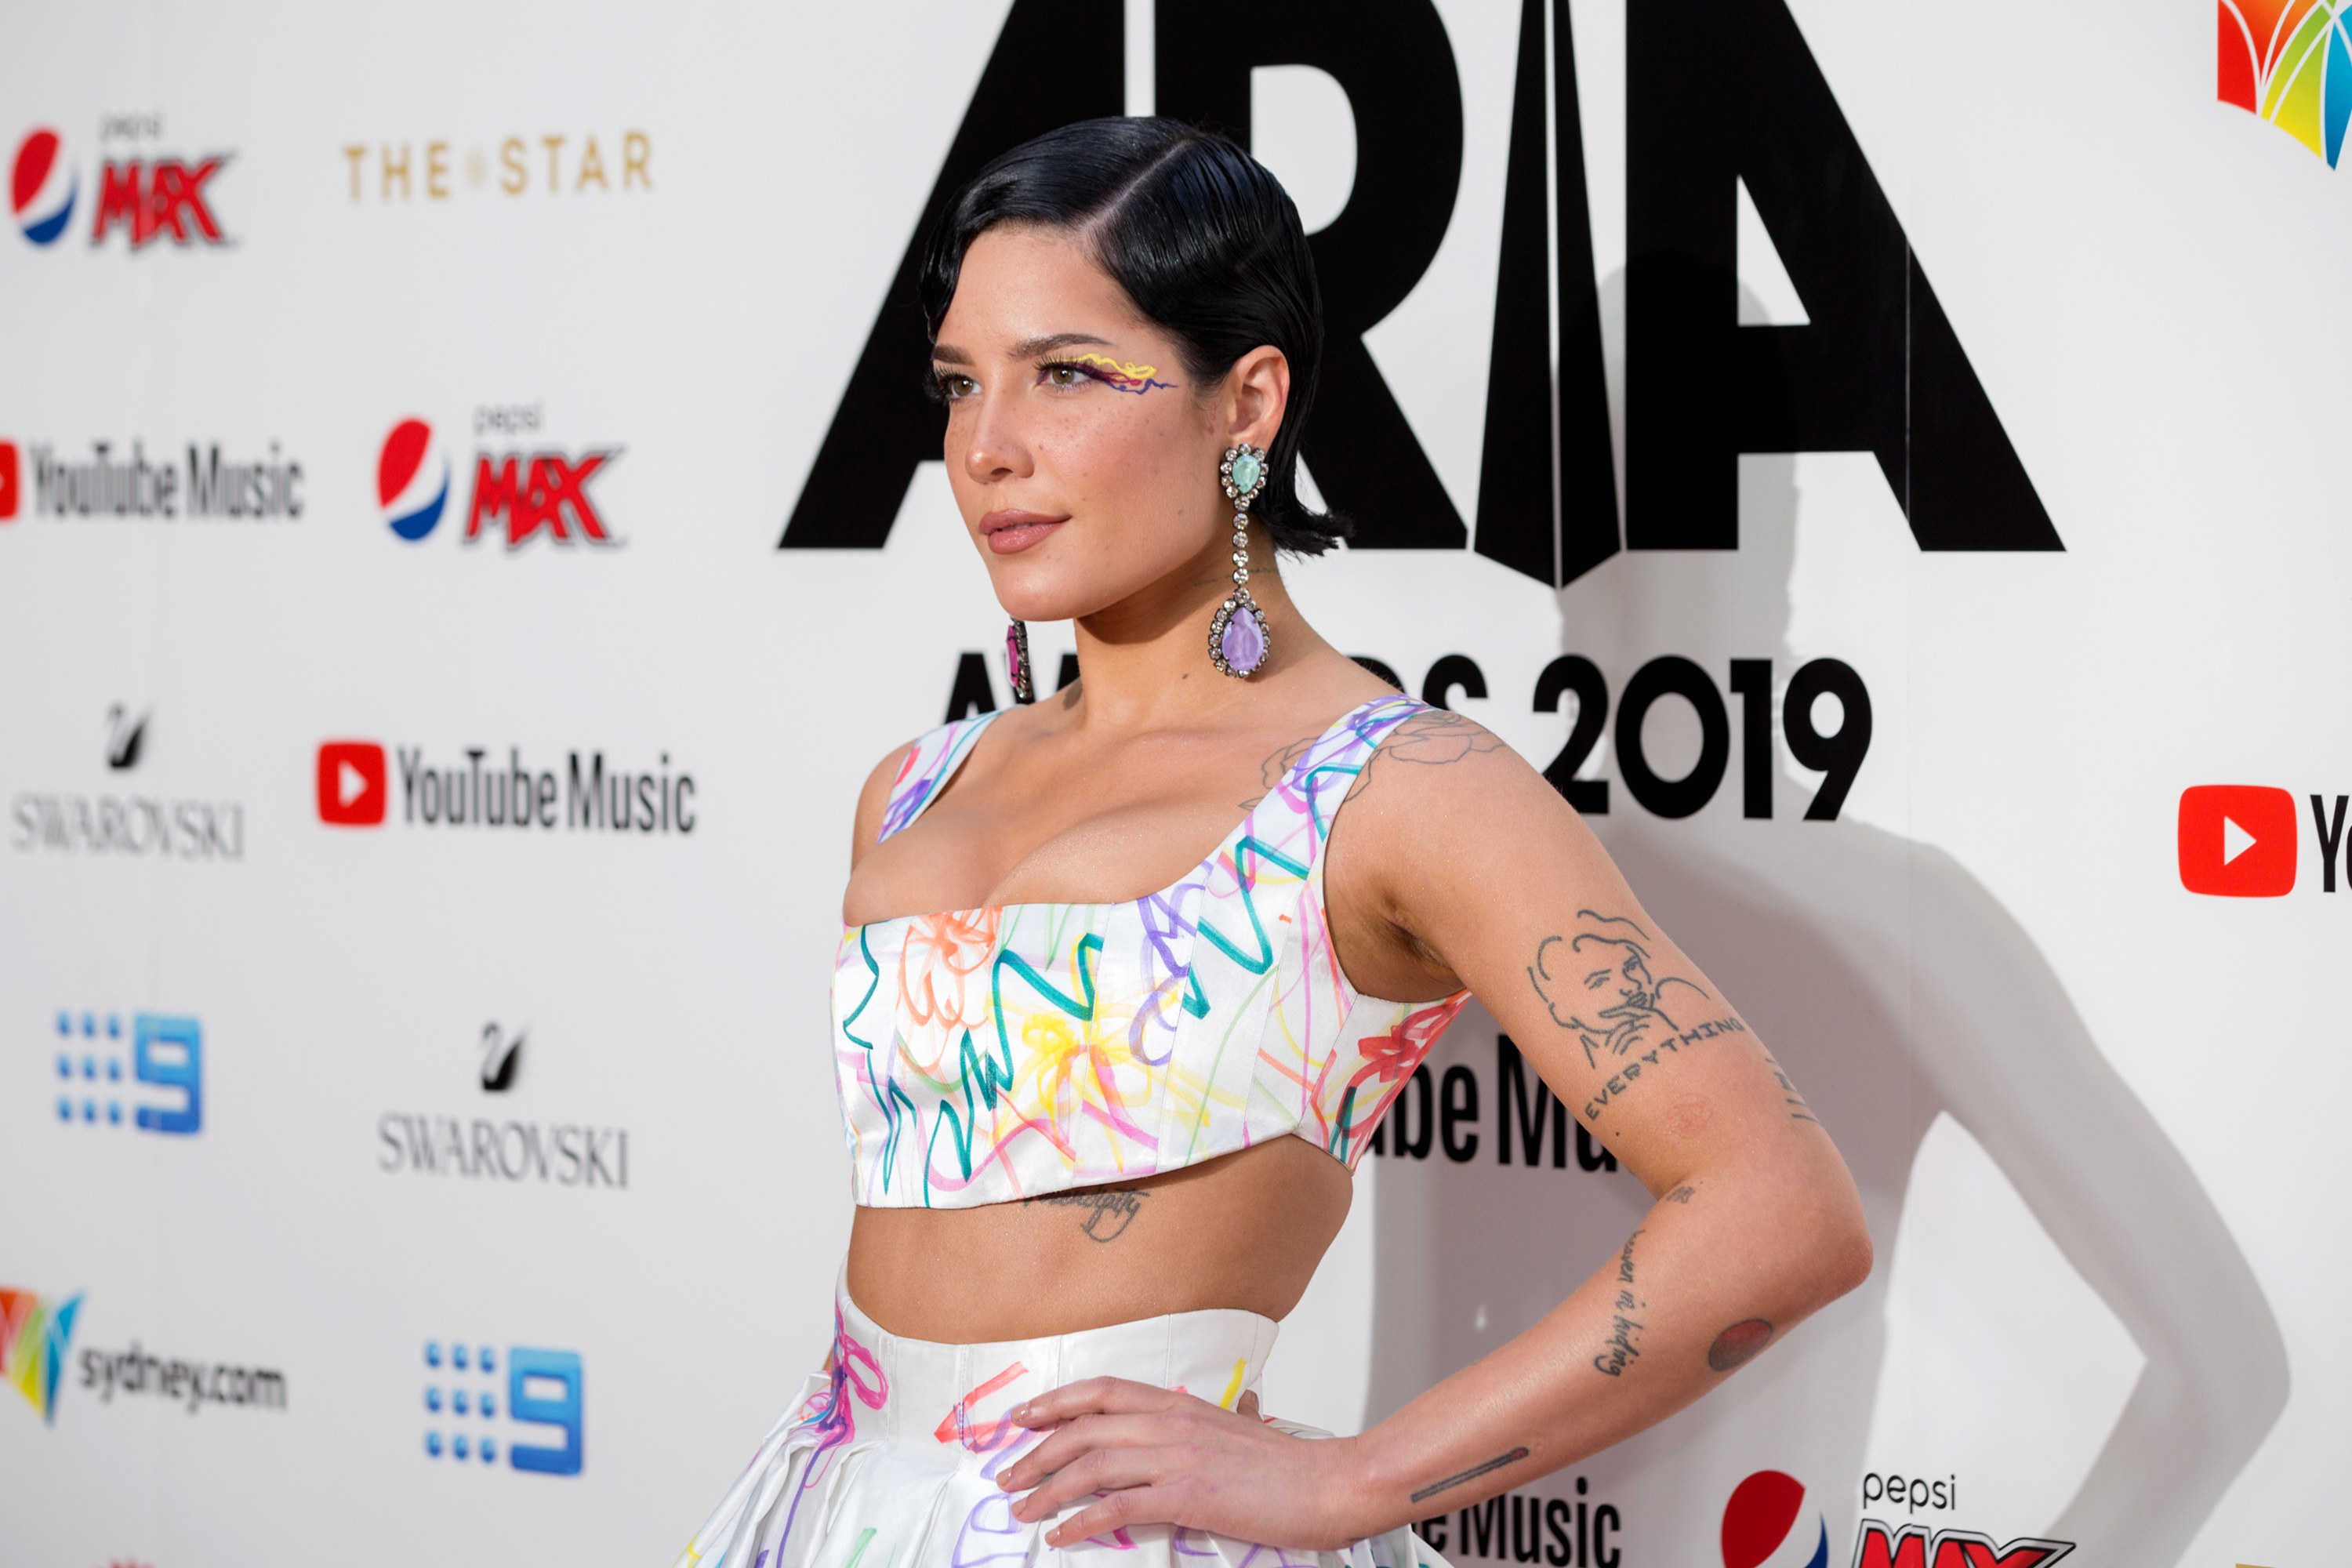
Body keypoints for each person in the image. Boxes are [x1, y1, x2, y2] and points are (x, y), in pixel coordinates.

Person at [673, 117, 1871, 1568]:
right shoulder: (915, 786)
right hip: (833, 1515)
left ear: (1245, 405)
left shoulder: (1398, 788)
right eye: (960, 384)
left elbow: (1779, 1211)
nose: (986, 449)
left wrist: (1357, 1482)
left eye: (1064, 374)